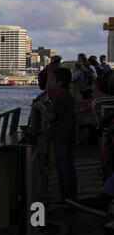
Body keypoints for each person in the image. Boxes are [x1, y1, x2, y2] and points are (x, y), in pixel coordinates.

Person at [34, 68, 78, 201]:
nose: (50, 83)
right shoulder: (67, 95)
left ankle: (66, 198)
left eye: (52, 80)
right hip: (68, 135)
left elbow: (50, 116)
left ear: (60, 83)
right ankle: (71, 196)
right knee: (69, 167)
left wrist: (40, 107)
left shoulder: (59, 97)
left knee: (63, 168)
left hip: (61, 137)